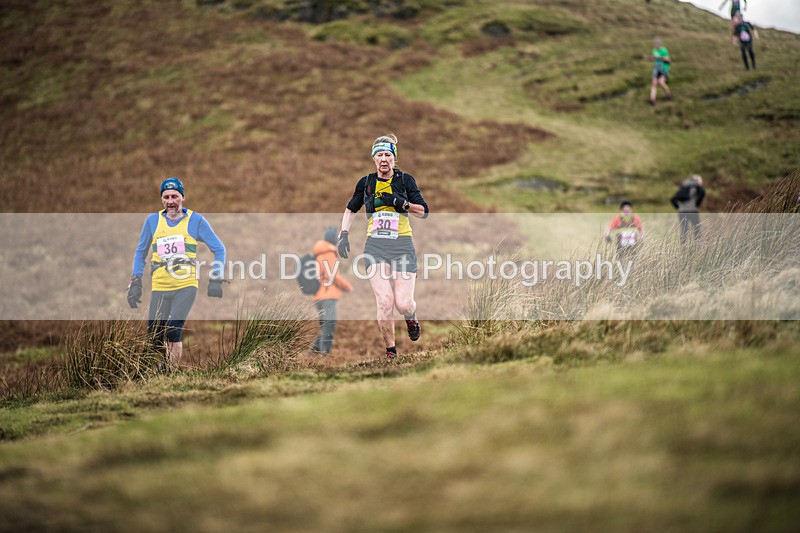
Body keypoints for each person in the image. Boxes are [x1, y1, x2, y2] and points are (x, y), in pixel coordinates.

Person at [337, 134, 429, 359]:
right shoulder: (366, 183)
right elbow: (351, 208)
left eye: (388, 154)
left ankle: (411, 316)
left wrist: (403, 204)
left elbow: (424, 211)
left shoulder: (405, 180)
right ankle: (391, 352)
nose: (384, 159)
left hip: (402, 246)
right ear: (374, 158)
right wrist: (344, 234)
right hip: (375, 248)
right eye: (379, 155)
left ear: (394, 157)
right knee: (385, 301)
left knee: (403, 303)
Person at [127, 177, 226, 370]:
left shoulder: (195, 220)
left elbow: (219, 249)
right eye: (166, 197)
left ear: (183, 197)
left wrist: (216, 277)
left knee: (173, 329)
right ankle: (157, 372)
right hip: (160, 286)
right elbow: (141, 252)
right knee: (154, 336)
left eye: (175, 196)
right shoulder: (152, 221)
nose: (170, 201)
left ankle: (169, 373)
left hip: (185, 285)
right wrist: (135, 281)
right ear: (162, 199)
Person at [311, 226, 353, 355]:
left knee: (325, 326)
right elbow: (332, 275)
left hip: (319, 296)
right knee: (329, 326)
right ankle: (324, 354)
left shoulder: (320, 253)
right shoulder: (329, 253)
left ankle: (315, 350)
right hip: (329, 295)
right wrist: (347, 287)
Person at [670, 174, 705, 244]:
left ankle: (683, 248)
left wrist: (678, 207)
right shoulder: (697, 188)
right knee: (697, 229)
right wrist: (697, 204)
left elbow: (673, 199)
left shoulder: (684, 188)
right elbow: (702, 194)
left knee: (684, 230)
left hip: (682, 212)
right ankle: (698, 247)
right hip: (693, 211)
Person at [649, 38, 672, 106]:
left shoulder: (664, 50)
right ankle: (652, 99)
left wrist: (660, 57)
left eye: (657, 44)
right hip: (657, 69)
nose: (656, 45)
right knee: (654, 83)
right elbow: (655, 58)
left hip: (664, 68)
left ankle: (668, 94)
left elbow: (668, 61)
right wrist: (654, 57)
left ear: (659, 44)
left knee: (661, 82)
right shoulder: (654, 50)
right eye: (655, 44)